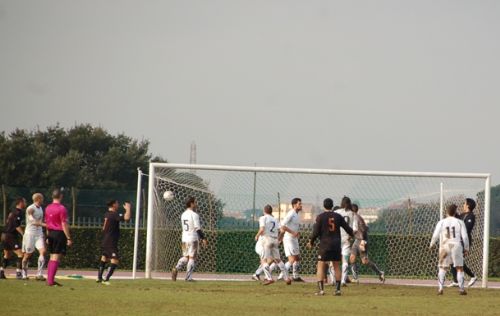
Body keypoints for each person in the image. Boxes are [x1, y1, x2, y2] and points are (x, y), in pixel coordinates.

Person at [308, 198, 354, 296]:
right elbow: (348, 229)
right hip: (336, 244)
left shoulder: (320, 217)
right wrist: (352, 235)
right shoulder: (338, 216)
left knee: (320, 265)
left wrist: (311, 241)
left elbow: (315, 232)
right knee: (337, 266)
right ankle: (337, 290)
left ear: (324, 206)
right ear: (332, 206)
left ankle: (321, 290)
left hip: (325, 244)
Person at [429, 204, 469, 295]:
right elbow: (465, 237)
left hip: (444, 246)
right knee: (459, 268)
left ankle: (440, 289)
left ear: (446, 212)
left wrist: (432, 244)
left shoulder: (441, 222)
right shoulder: (460, 222)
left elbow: (435, 235)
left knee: (442, 268)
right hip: (456, 245)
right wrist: (466, 248)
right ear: (455, 212)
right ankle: (462, 289)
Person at [172, 197, 208, 282]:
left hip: (184, 239)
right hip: (193, 239)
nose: (196, 204)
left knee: (186, 257)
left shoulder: (183, 214)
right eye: (195, 203)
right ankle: (188, 278)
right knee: (192, 258)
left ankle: (176, 268)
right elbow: (197, 228)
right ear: (191, 204)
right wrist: (203, 238)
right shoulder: (194, 215)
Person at [97, 200, 131, 284]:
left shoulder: (107, 214)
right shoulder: (114, 214)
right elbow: (127, 218)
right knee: (115, 260)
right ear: (113, 205)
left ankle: (99, 278)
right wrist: (128, 209)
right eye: (117, 203)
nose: (118, 204)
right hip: (110, 241)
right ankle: (106, 279)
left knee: (104, 257)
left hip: (105, 240)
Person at [255, 205, 291, 285]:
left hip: (266, 239)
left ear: (264, 211)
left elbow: (262, 229)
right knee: (278, 260)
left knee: (263, 259)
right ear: (271, 211)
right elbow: (282, 230)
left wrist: (257, 235)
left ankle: (269, 278)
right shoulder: (275, 219)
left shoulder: (263, 218)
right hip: (275, 239)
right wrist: (279, 238)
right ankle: (287, 278)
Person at [349, 204, 385, 283]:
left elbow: (361, 230)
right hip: (357, 240)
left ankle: (380, 273)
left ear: (351, 211)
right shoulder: (356, 218)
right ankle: (355, 278)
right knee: (352, 258)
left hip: (361, 240)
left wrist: (362, 241)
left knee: (365, 261)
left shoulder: (356, 218)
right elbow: (364, 228)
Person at [45, 189, 72, 287]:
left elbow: (47, 223)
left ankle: (49, 279)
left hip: (51, 233)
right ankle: (50, 281)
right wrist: (68, 237)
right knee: (56, 257)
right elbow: (64, 224)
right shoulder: (62, 208)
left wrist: (47, 236)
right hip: (59, 233)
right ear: (61, 196)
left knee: (52, 256)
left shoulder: (47, 208)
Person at [449, 198, 477, 288]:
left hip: (464, 241)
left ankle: (472, 276)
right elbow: (456, 219)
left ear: (468, 205)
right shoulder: (462, 215)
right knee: (453, 260)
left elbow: (467, 229)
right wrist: (453, 210)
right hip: (457, 240)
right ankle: (456, 281)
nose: (463, 205)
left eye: (464, 203)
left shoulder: (471, 216)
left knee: (456, 260)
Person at [21, 193, 47, 281]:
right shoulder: (30, 208)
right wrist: (45, 225)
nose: (43, 200)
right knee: (27, 255)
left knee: (43, 251)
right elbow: (32, 221)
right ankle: (24, 274)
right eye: (42, 198)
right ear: (38, 199)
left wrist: (43, 226)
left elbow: (39, 221)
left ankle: (39, 274)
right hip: (30, 234)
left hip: (39, 234)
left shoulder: (41, 208)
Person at [0, 198, 26, 279]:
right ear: (20, 203)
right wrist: (23, 234)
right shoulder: (18, 212)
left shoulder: (12, 211)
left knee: (7, 255)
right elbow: (16, 225)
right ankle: (18, 273)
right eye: (24, 202)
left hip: (4, 235)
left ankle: (1, 272)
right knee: (21, 254)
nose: (25, 203)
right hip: (10, 236)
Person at [280, 198, 304, 282]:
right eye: (299, 204)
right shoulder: (291, 213)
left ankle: (295, 276)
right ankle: (282, 276)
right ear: (294, 205)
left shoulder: (297, 214)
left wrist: (296, 233)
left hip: (294, 239)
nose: (301, 205)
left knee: (297, 258)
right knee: (292, 259)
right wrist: (293, 233)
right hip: (289, 239)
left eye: (301, 204)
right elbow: (282, 225)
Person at [334, 196, 357, 286]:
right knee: (345, 261)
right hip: (346, 239)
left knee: (334, 261)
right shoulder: (353, 214)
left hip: (336, 238)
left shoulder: (336, 212)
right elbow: (355, 229)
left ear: (341, 203)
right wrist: (351, 237)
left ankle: (333, 280)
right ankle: (343, 280)